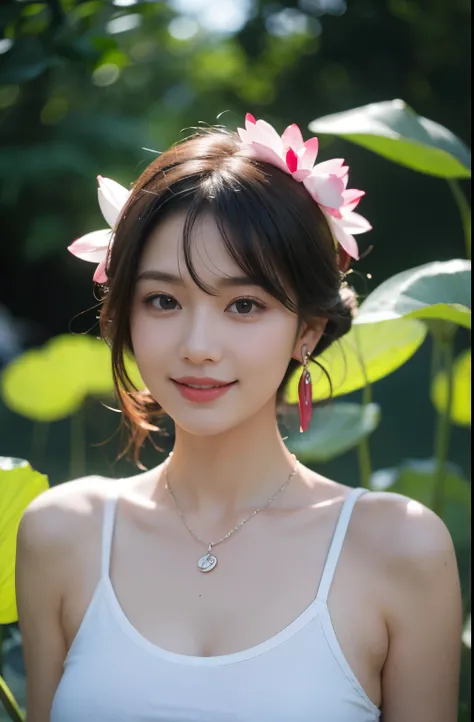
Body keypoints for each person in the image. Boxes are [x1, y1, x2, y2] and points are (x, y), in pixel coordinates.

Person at [15, 114, 462, 721]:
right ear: (126, 312)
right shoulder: (60, 534)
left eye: (244, 305)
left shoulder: (400, 548)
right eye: (164, 300)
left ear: (307, 329)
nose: (199, 344)